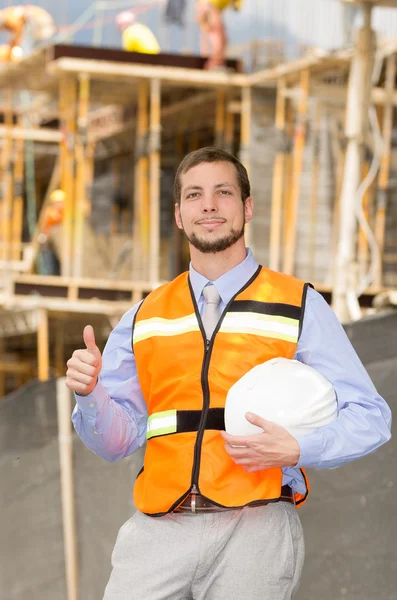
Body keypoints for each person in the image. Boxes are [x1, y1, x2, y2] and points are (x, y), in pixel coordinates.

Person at [66, 147, 391, 600]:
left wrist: (299, 447)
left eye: (224, 192)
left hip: (255, 528)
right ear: (179, 215)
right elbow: (115, 442)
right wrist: (90, 393)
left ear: (247, 207)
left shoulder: (298, 303)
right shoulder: (143, 316)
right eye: (195, 195)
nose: (210, 205)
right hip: (159, 531)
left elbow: (371, 416)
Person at [195, 0, 241, 69]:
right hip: (209, 7)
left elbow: (236, 7)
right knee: (218, 40)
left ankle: (216, 64)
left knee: (222, 40)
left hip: (210, 8)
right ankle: (214, 65)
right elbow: (235, 7)